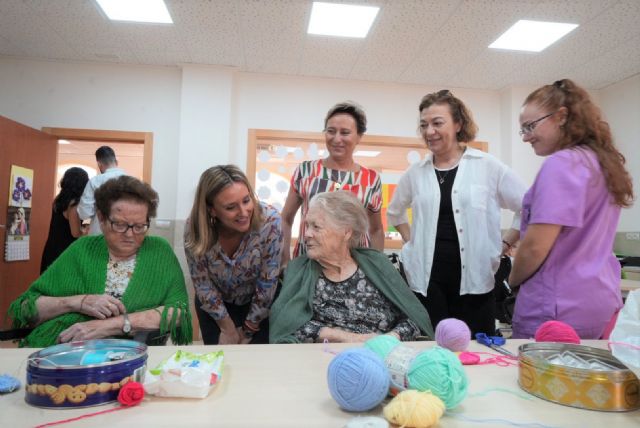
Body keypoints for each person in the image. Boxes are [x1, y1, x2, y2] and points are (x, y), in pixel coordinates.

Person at [387, 90, 526, 336]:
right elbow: (395, 213)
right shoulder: (415, 173)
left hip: (476, 282)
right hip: (427, 284)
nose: (429, 131)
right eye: (424, 125)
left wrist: (506, 244)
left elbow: (528, 207)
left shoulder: (487, 166)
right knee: (433, 351)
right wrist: (413, 244)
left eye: (437, 123)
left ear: (458, 124)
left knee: (477, 351)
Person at [509, 79, 634, 339]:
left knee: (540, 378)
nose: (526, 137)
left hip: (557, 307)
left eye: (531, 126)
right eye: (522, 130)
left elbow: (534, 248)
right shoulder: (602, 164)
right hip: (598, 301)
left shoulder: (562, 164)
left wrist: (510, 281)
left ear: (562, 117)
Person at [9, 175, 192, 347]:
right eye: (120, 224)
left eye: (139, 226)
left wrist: (112, 325)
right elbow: (27, 308)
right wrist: (79, 302)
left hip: (130, 351)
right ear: (102, 218)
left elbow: (178, 311)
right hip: (67, 348)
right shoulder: (82, 249)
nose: (130, 234)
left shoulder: (159, 250)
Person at [270, 191, 433, 344]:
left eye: (316, 227)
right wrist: (346, 337)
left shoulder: (377, 264)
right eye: (307, 226)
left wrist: (389, 338)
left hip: (383, 355)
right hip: (324, 359)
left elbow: (414, 319)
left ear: (346, 232)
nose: (307, 234)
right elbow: (285, 325)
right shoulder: (299, 270)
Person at [184, 165, 283, 345]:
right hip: (216, 307)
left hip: (260, 305)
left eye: (246, 201)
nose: (244, 212)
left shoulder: (270, 221)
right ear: (211, 210)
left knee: (257, 364)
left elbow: (268, 280)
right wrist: (227, 328)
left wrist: (249, 328)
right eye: (231, 207)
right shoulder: (195, 229)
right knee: (219, 361)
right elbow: (203, 285)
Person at [280, 101, 384, 265]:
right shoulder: (306, 171)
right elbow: (286, 219)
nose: (337, 139)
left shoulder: (371, 179)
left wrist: (378, 266)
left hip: (355, 268)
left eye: (345, 132)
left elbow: (376, 229)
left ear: (359, 137)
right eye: (331, 131)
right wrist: (284, 259)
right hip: (308, 265)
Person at [40, 167, 89, 273]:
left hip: (51, 248)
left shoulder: (58, 199)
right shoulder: (74, 204)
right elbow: (75, 233)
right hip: (65, 252)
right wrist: (87, 230)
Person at [78, 145, 126, 235]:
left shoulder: (95, 182)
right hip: (125, 231)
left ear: (99, 164)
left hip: (100, 231)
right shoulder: (133, 181)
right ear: (116, 162)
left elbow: (84, 213)